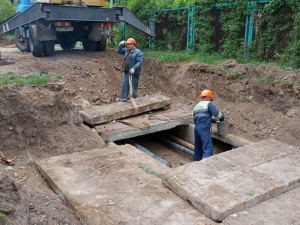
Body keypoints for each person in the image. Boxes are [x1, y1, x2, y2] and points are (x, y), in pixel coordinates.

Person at [193, 90, 224, 161]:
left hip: (196, 129)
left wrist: (211, 120)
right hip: (204, 129)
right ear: (207, 97)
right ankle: (207, 166)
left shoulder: (196, 106)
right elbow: (216, 113)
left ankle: (196, 165)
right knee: (207, 149)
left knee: (198, 149)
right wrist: (221, 117)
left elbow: (197, 119)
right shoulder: (208, 104)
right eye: (211, 99)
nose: (211, 101)